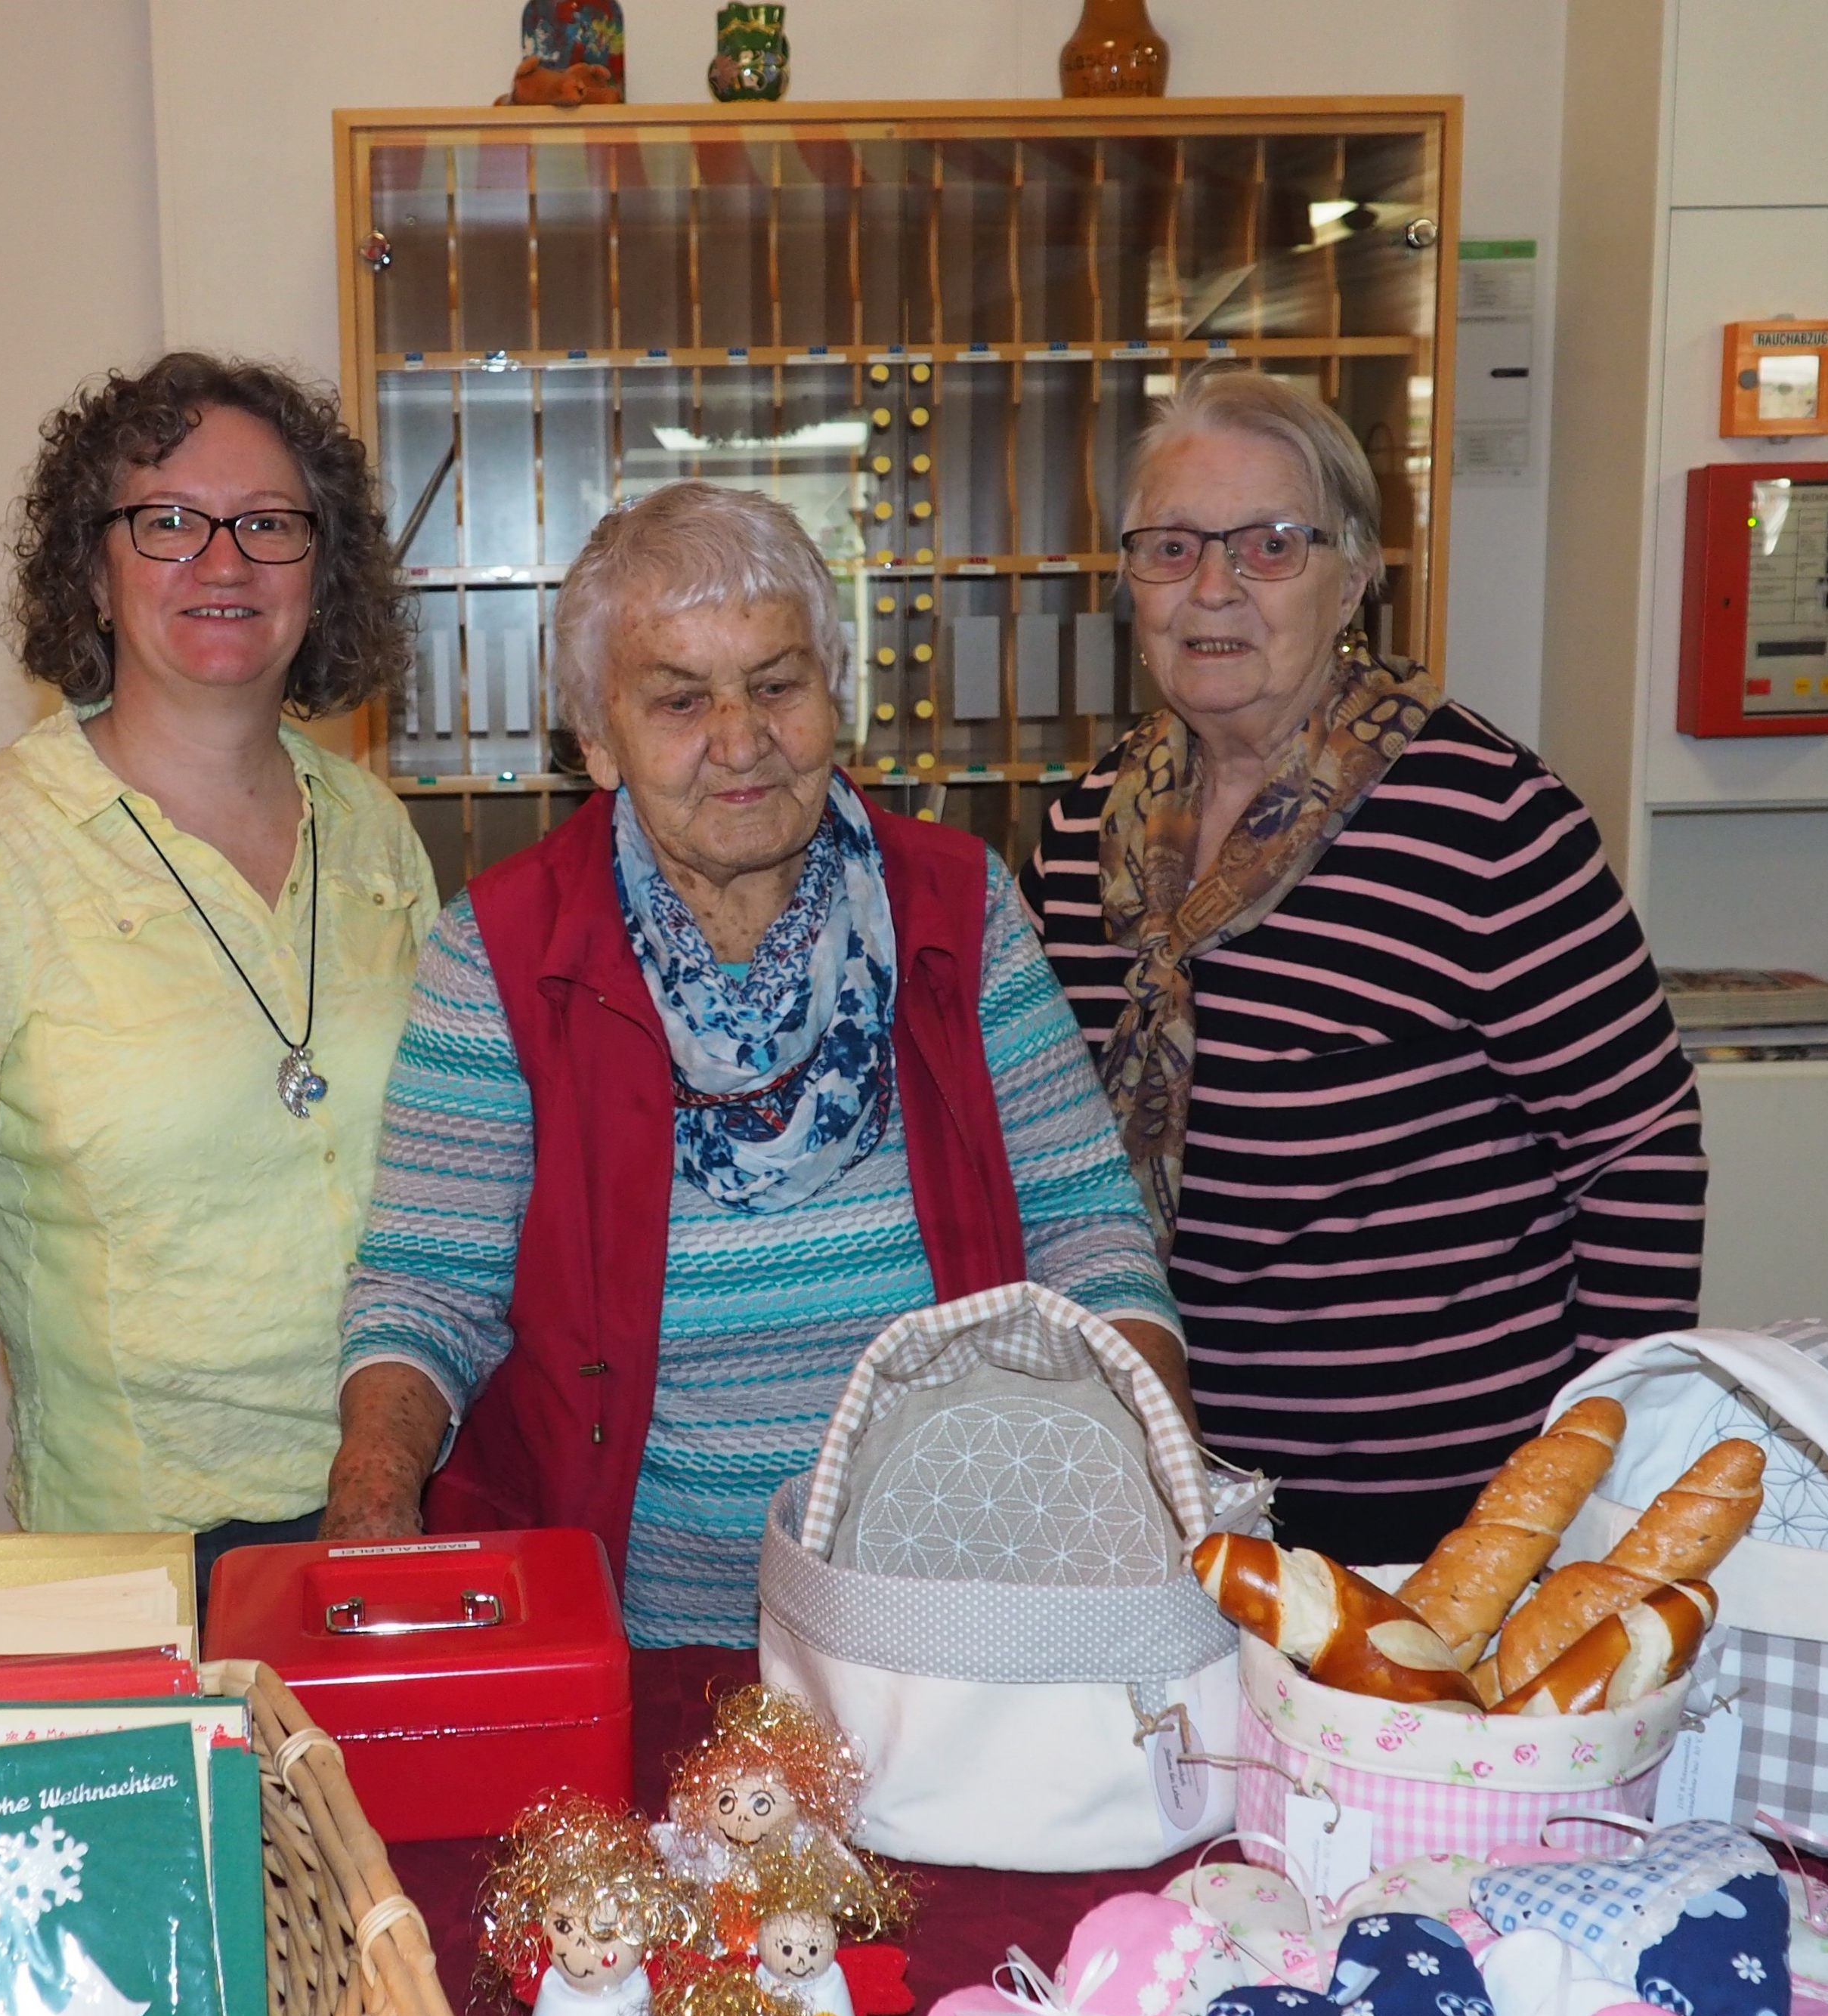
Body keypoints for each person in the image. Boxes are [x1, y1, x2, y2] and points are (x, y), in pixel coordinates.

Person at [329, 480, 1182, 1645]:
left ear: (834, 695)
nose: (741, 744)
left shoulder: (955, 905)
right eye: (679, 701)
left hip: (950, 1603)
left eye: (776, 685)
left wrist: (1162, 1491)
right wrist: (375, 1502)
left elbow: (1086, 1225)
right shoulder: (506, 948)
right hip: (629, 1623)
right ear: (598, 740)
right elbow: (429, 1292)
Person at [0, 352, 438, 1623]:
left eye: (270, 525)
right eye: (167, 522)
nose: (222, 563)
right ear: (92, 564)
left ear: (321, 569)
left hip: (401, 1500)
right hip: (144, 1554)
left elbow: (458, 1168)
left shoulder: (372, 825)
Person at [1024, 366, 1706, 1566]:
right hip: (1150, 1484)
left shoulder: (1484, 816)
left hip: (1438, 1509)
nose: (1214, 588)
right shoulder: (1081, 833)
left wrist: (1596, 1459)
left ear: (1352, 578)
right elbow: (1037, 1146)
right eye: (1170, 547)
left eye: (1270, 546)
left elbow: (1637, 1147)